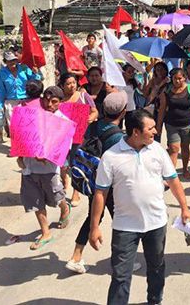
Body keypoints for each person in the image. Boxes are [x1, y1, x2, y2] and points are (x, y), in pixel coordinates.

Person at [89, 109, 190, 305]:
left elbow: (173, 180)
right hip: (125, 226)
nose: (155, 132)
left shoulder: (157, 151)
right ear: (136, 132)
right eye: (151, 128)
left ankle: (155, 300)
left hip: (156, 223)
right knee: (120, 276)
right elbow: (100, 194)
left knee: (156, 267)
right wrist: (94, 227)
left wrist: (184, 207)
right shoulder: (110, 157)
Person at [66, 92, 140, 275]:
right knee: (121, 221)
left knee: (95, 217)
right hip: (112, 187)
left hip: (94, 181)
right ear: (123, 112)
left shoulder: (94, 125)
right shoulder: (118, 137)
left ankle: (76, 256)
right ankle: (121, 261)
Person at [18, 86, 71, 250]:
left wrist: (46, 156)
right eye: (46, 100)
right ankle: (46, 232)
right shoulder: (32, 115)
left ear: (60, 103)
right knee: (35, 201)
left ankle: (64, 208)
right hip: (29, 167)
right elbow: (22, 134)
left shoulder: (64, 122)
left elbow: (64, 147)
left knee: (56, 197)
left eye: (54, 101)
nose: (49, 104)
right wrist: (20, 152)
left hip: (49, 169)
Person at [60, 73, 99, 207]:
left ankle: (76, 192)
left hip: (80, 136)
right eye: (68, 84)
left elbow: (95, 111)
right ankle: (64, 181)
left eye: (73, 83)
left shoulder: (83, 96)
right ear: (62, 86)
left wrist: (90, 118)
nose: (71, 86)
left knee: (75, 163)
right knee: (63, 164)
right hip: (64, 137)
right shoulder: (59, 100)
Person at [156, 68, 190, 179]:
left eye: (179, 78)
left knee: (185, 147)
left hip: (187, 124)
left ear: (184, 78)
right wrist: (158, 125)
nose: (177, 81)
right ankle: (172, 175)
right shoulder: (167, 90)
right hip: (171, 124)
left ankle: (185, 169)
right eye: (174, 78)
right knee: (173, 148)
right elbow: (162, 109)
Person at [0, 51, 42, 140]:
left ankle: (27, 145)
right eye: (9, 61)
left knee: (27, 125)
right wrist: (0, 106)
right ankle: (15, 147)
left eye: (13, 60)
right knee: (13, 126)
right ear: (5, 61)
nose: (12, 62)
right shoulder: (1, 73)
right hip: (11, 102)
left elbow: (35, 81)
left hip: (25, 101)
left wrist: (35, 73)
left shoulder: (24, 68)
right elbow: (0, 91)